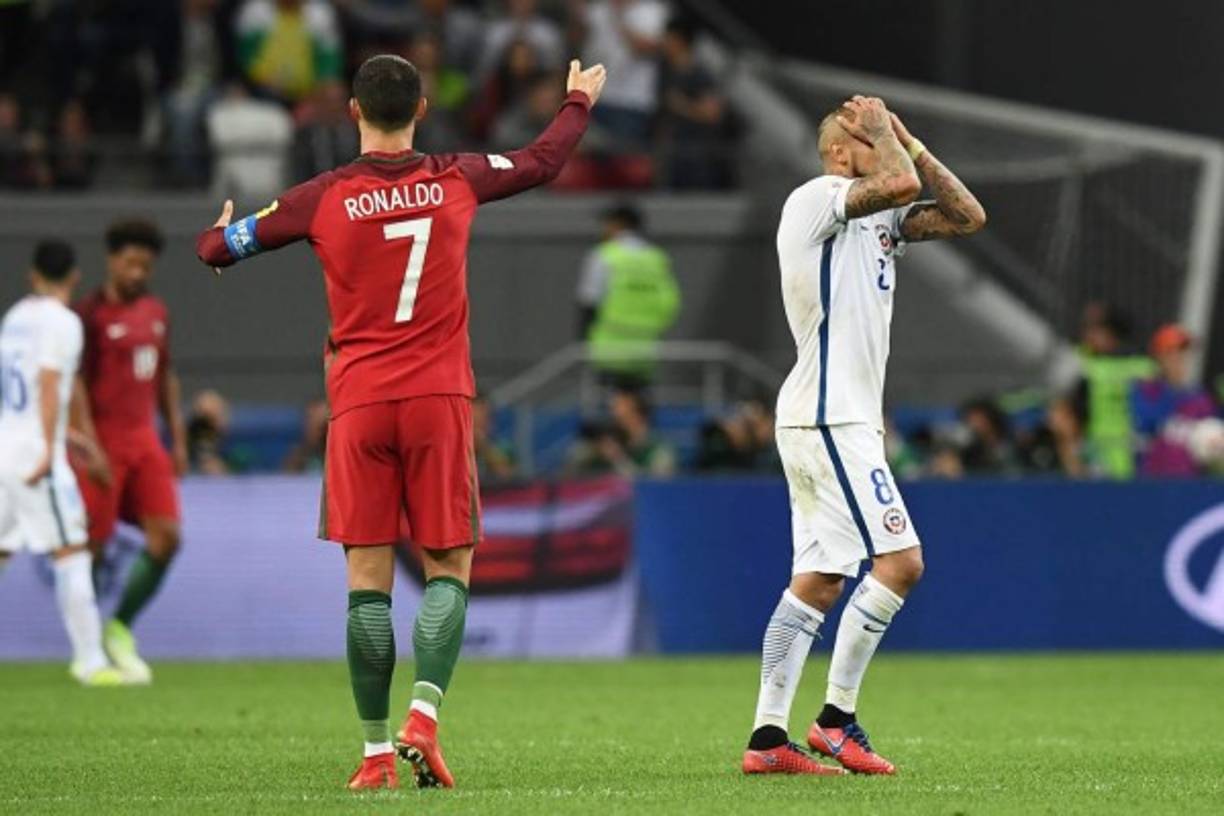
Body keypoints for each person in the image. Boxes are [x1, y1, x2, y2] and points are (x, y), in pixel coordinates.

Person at [196, 54, 607, 790]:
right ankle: (425, 717)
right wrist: (576, 100)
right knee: (450, 564)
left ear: (352, 112)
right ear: (421, 109)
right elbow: (545, 160)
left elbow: (218, 246)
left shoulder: (320, 197)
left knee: (366, 584)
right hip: (439, 398)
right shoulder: (456, 175)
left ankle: (376, 754)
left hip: (357, 404)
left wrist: (222, 240)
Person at [744, 95, 985, 776]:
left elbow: (969, 216)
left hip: (830, 417)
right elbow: (903, 184)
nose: (890, 150)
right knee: (901, 562)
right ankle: (835, 721)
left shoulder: (881, 219)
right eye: (872, 140)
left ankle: (766, 741)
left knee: (819, 580)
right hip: (829, 416)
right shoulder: (816, 196)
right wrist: (888, 139)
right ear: (846, 151)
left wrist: (915, 143)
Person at [71, 220, 189, 686]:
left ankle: (119, 628)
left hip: (145, 442)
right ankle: (87, 646)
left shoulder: (157, 312)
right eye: (130, 261)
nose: (138, 271)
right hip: (102, 444)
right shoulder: (89, 315)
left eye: (146, 263)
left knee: (168, 538)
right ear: (111, 260)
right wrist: (87, 442)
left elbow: (165, 377)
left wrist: (176, 437)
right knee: (91, 550)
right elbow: (76, 383)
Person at [0, 240, 122, 686]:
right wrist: (50, 451)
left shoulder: (15, 317)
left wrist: (69, 437)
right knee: (71, 549)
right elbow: (50, 386)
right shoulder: (64, 323)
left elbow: (19, 392)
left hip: (4, 446)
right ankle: (91, 662)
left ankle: (90, 659)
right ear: (73, 276)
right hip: (35, 455)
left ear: (33, 275)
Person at [575, 204, 680, 390]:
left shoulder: (604, 255)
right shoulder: (656, 258)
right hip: (645, 348)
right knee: (639, 406)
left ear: (619, 224)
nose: (603, 228)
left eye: (606, 223)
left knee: (611, 409)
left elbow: (589, 300)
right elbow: (670, 302)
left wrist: (582, 339)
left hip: (608, 348)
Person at [1070, 305, 1154, 479]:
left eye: (1095, 329)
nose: (1088, 335)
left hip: (1133, 446)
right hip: (1097, 446)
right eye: (1087, 329)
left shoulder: (1140, 363)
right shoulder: (1082, 360)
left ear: (1111, 332)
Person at [1131, 324, 1220, 477]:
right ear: (1158, 357)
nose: (1179, 359)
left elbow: (1214, 435)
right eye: (1171, 353)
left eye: (1183, 353)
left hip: (1189, 484)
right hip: (1149, 482)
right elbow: (1145, 424)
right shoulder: (1145, 391)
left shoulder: (1200, 399)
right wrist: (1169, 389)